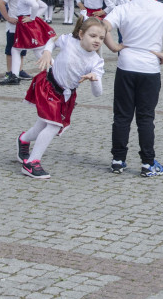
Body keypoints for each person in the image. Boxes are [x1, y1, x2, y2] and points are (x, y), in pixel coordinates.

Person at [103, 0, 163, 177]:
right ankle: (148, 163)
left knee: (122, 116)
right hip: (149, 67)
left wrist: (113, 47)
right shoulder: (162, 8)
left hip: (127, 66)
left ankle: (118, 159)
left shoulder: (122, 8)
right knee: (146, 117)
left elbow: (103, 26)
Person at [17, 15, 107, 179]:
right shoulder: (69, 41)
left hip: (65, 96)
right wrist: (46, 52)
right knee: (53, 126)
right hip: (48, 86)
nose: (97, 41)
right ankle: (31, 163)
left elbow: (98, 93)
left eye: (101, 38)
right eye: (92, 36)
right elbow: (52, 40)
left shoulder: (96, 61)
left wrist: (94, 79)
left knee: (40, 128)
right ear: (81, 34)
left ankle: (23, 139)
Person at [10, 0, 56, 80]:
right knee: (33, 50)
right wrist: (34, 17)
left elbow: (35, 6)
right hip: (28, 24)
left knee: (20, 50)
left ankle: (15, 75)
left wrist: (32, 18)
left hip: (26, 25)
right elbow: (43, 6)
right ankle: (54, 70)